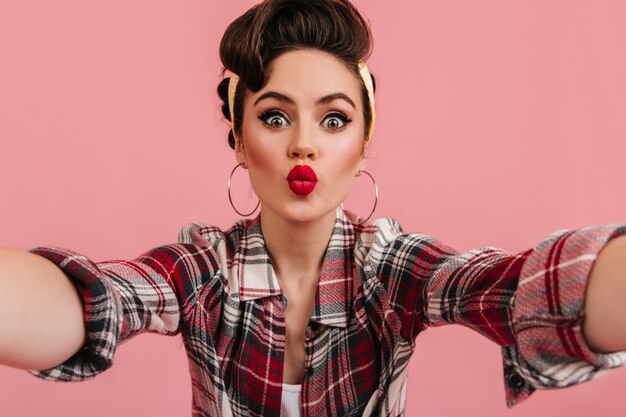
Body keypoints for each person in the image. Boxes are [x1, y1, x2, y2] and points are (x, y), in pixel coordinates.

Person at [1, 0, 626, 416]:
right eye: (275, 116)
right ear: (241, 140)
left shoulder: (391, 269)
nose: (304, 142)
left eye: (334, 118)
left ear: (362, 146)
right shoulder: (202, 270)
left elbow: (517, 287)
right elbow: (100, 301)